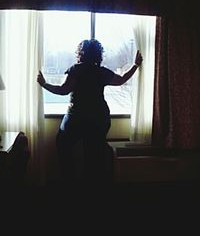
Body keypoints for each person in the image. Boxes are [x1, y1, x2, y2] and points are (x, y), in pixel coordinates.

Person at [37, 39, 143, 187]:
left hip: (77, 116)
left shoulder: (76, 70)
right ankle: (91, 186)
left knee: (63, 144)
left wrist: (44, 84)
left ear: (81, 53)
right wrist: (136, 65)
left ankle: (69, 181)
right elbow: (121, 80)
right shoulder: (101, 72)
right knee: (92, 154)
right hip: (99, 118)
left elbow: (63, 90)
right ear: (98, 55)